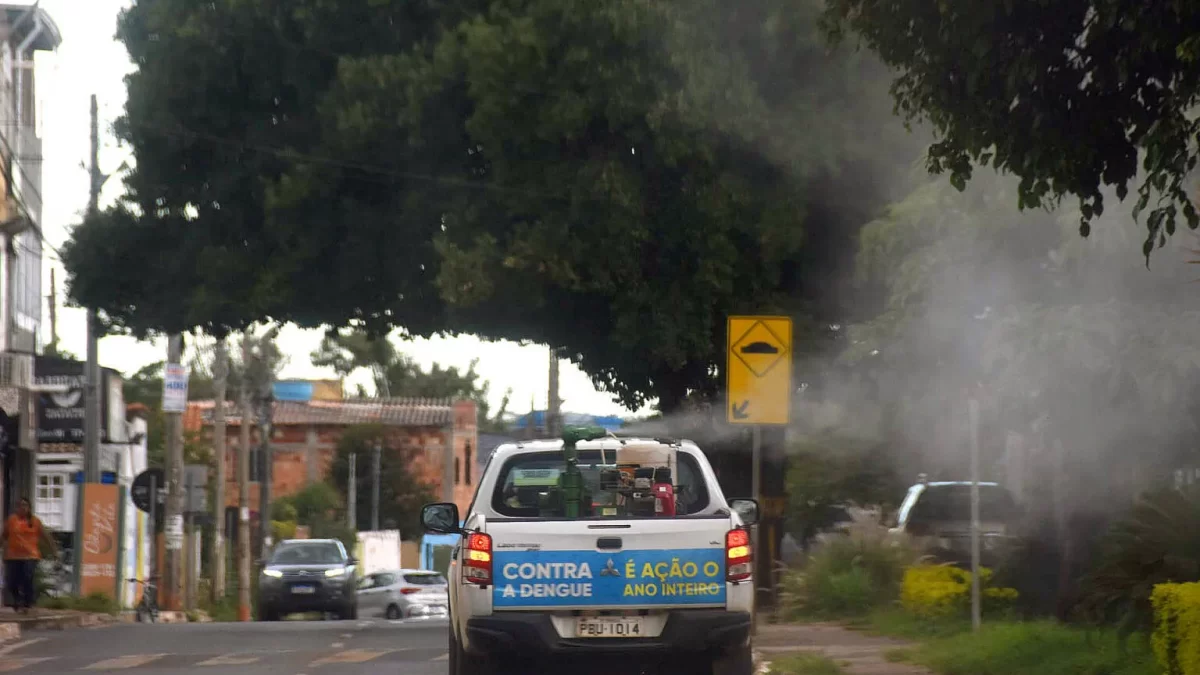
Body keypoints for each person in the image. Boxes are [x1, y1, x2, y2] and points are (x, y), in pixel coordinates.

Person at [2, 498, 56, 613]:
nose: (23, 508)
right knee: (11, 582)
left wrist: (54, 552)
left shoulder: (35, 521)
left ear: (29, 507)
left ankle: (28, 603)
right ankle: (18, 600)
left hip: (30, 555)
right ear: (16, 508)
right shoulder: (12, 520)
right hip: (13, 556)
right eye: (20, 505)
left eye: (25, 505)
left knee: (27, 577)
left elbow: (46, 537)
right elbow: (4, 535)